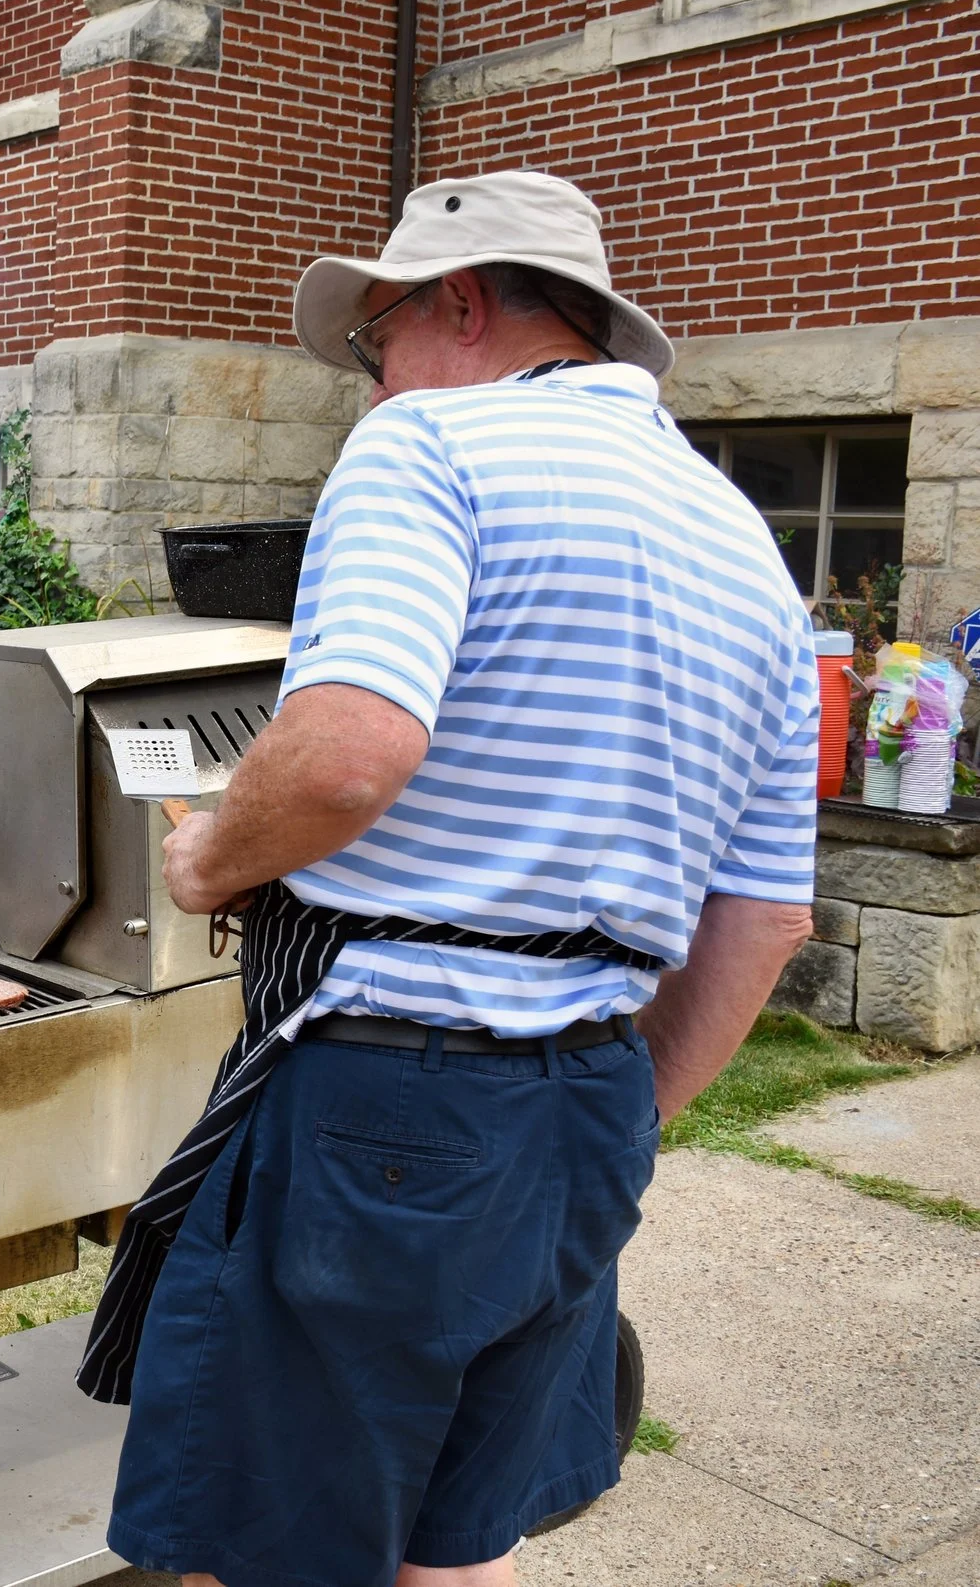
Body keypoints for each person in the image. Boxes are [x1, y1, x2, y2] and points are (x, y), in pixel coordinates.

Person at [80, 171, 817, 1587]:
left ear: (463, 303)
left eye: (377, 347)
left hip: (388, 1119)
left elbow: (351, 751)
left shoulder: (430, 445)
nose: (373, 387)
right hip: (591, 1107)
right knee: (458, 1538)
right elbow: (768, 916)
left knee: (264, 1547)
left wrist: (205, 855)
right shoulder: (749, 546)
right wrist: (600, 1104)